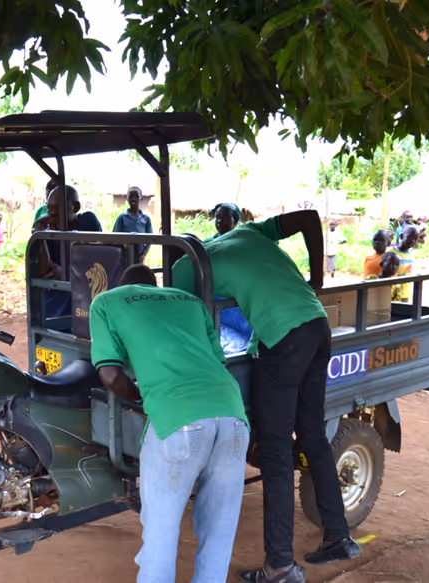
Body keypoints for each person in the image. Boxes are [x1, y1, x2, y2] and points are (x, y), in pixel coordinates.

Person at [171, 210, 359, 583]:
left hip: (285, 341)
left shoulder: (183, 266)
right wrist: (317, 277)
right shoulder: (249, 232)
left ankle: (280, 566)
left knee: (274, 451)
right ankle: (339, 537)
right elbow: (308, 218)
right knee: (311, 434)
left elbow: (190, 323)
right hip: (317, 326)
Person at [90, 264, 249, 583]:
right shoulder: (190, 301)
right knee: (219, 532)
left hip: (177, 420)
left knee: (160, 537)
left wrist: (142, 396)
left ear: (125, 285)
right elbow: (216, 359)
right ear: (156, 286)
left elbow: (110, 375)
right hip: (233, 416)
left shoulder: (107, 301)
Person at [34, 185, 102, 319]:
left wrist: (65, 272)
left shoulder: (87, 222)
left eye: (57, 208)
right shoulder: (48, 235)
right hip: (56, 307)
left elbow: (94, 263)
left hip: (85, 304)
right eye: (49, 208)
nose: (51, 213)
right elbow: (46, 271)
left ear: (75, 207)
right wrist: (39, 232)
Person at [112, 186, 153, 262]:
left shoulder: (146, 219)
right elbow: (115, 238)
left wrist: (143, 255)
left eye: (136, 196)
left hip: (139, 258)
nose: (133, 199)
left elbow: (150, 240)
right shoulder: (122, 218)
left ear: (141, 198)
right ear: (127, 198)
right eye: (131, 196)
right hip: (124, 258)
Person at [391, 225, 419, 302]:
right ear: (402, 236)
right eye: (410, 237)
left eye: (415, 238)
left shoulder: (412, 253)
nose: (413, 241)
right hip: (393, 292)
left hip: (406, 292)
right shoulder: (392, 252)